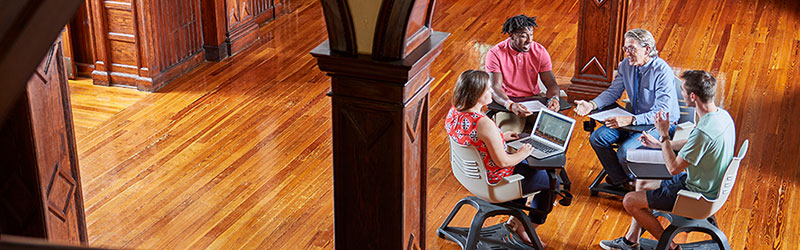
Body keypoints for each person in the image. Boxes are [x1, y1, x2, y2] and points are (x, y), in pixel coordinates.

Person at [599, 70, 736, 250]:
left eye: (683, 90)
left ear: (693, 96)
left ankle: (671, 247)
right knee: (642, 181)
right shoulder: (722, 116)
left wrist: (663, 135)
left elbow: (673, 168)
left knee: (629, 201)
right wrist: (661, 144)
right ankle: (631, 241)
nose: (681, 93)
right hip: (708, 185)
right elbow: (693, 143)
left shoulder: (704, 132)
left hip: (694, 195)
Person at [445, 70, 556, 246]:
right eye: (488, 89)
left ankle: (515, 219)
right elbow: (503, 162)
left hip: (468, 175)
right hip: (495, 182)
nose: (491, 92)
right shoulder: (483, 123)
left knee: (528, 169)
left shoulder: (454, 113)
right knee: (551, 181)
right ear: (476, 94)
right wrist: (523, 152)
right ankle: (528, 229)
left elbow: (472, 141)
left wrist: (500, 137)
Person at [573, 28, 680, 191]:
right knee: (597, 137)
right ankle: (623, 180)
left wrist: (630, 120)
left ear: (647, 49)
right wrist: (591, 105)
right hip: (635, 120)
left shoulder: (662, 71)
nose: (627, 53)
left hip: (662, 124)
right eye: (625, 48)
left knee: (625, 151)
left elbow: (661, 112)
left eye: (632, 48)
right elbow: (612, 92)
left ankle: (634, 183)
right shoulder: (626, 66)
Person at [486, 14, 562, 133]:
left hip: (534, 100)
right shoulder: (495, 54)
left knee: (557, 132)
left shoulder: (540, 51)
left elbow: (552, 85)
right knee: (510, 136)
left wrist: (554, 99)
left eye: (531, 35)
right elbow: (495, 88)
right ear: (511, 35)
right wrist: (510, 105)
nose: (529, 40)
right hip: (509, 103)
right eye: (523, 36)